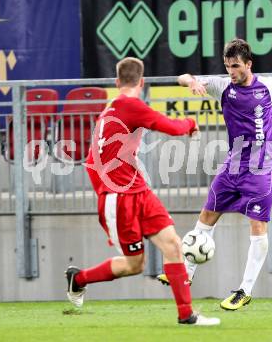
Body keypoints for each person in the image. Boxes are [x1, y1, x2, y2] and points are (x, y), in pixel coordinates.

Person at [65, 57, 220, 326]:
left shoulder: (109, 111)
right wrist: (190, 124)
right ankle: (78, 279)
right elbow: (171, 127)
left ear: (116, 82)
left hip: (138, 192)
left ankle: (187, 315)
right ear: (142, 81)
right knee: (133, 265)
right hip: (119, 199)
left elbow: (91, 162)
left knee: (173, 245)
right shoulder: (130, 106)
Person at [157, 38, 272, 310]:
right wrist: (192, 82)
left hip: (262, 167)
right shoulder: (223, 86)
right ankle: (186, 274)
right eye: (227, 66)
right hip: (232, 166)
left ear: (249, 64)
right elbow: (183, 76)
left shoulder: (270, 86)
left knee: (257, 227)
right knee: (206, 216)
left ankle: (244, 291)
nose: (231, 72)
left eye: (235, 66)